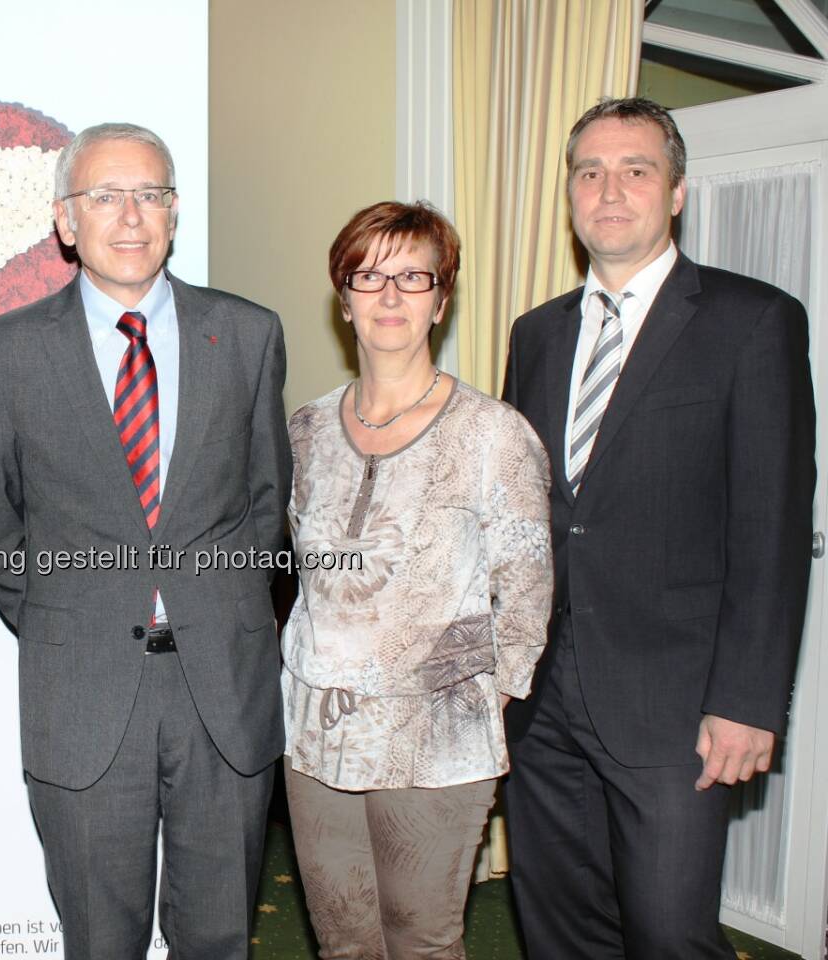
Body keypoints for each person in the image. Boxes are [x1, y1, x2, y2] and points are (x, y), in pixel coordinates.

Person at [0, 122, 291, 959]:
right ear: (65, 222)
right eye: (105, 196)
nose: (131, 216)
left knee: (218, 934)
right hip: (82, 690)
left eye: (151, 194)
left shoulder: (248, 336)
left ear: (174, 214)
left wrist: (220, 605)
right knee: (99, 940)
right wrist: (64, 617)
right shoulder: (6, 353)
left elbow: (265, 504)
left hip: (221, 683)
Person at [502, 96, 816, 959]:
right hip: (541, 700)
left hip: (677, 707)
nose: (610, 189)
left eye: (636, 170)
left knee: (672, 935)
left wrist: (747, 702)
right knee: (559, 929)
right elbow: (531, 518)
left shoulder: (751, 322)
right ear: (569, 193)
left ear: (676, 191)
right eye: (590, 172)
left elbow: (773, 527)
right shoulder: (537, 336)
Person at [280, 201, 552, 959]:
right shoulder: (302, 430)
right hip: (314, 730)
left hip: (434, 737)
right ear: (343, 298)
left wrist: (478, 696)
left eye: (412, 277)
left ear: (442, 297)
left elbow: (526, 590)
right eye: (369, 276)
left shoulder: (491, 432)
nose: (390, 296)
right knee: (343, 942)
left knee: (421, 942)